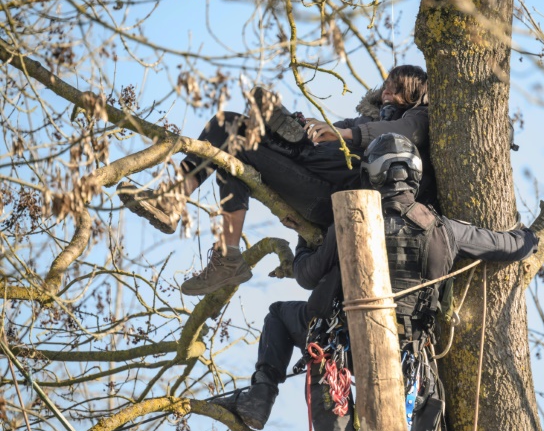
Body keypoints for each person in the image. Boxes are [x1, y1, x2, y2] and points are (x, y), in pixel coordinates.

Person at [213, 133, 539, 431]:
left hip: (343, 342)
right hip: (408, 352)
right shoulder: (444, 229)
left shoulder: (350, 218)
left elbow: (307, 277)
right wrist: (531, 238)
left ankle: (260, 395)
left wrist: (305, 242)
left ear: (370, 173)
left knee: (279, 314)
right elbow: (510, 246)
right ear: (414, 174)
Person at [116, 65, 434, 296]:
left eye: (398, 86)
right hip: (313, 186)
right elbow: (332, 133)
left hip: (344, 199)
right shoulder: (361, 120)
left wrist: (344, 135)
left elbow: (404, 134)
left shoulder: (415, 119)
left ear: (415, 94)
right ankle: (222, 249)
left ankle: (287, 141)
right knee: (226, 137)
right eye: (387, 84)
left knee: (327, 145)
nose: (388, 90)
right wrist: (311, 129)